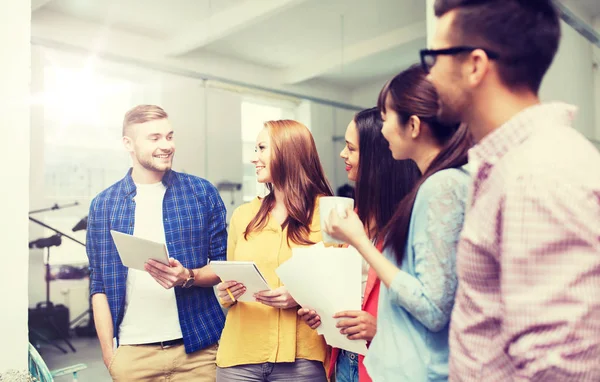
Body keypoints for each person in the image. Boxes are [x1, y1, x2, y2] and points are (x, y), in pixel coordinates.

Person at [426, 1, 600, 380]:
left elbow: (561, 371)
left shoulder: (537, 176)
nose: (430, 75)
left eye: (434, 57)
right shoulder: (510, 166)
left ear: (474, 65)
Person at [324, 65, 472, 381]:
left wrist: (361, 242)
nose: (385, 128)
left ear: (414, 125)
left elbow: (432, 309)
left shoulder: (442, 186)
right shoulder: (437, 185)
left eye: (387, 116)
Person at [86, 105, 227, 381]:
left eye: (169, 136)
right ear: (128, 143)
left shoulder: (202, 192)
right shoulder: (104, 205)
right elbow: (99, 284)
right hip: (133, 355)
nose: (167, 146)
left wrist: (188, 276)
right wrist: (109, 355)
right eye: (154, 138)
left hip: (200, 352)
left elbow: (223, 266)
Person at [298, 108, 421, 382]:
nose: (342, 154)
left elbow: (430, 308)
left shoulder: (412, 221)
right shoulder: (355, 217)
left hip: (387, 365)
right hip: (344, 359)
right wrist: (322, 312)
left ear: (377, 158)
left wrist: (381, 329)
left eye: (350, 148)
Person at [214, 120, 333, 382]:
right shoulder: (242, 216)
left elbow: (342, 289)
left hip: (303, 359)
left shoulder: (329, 213)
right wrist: (225, 291)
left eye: (261, 148)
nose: (253, 158)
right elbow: (230, 282)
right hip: (239, 358)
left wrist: (301, 296)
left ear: (287, 151)